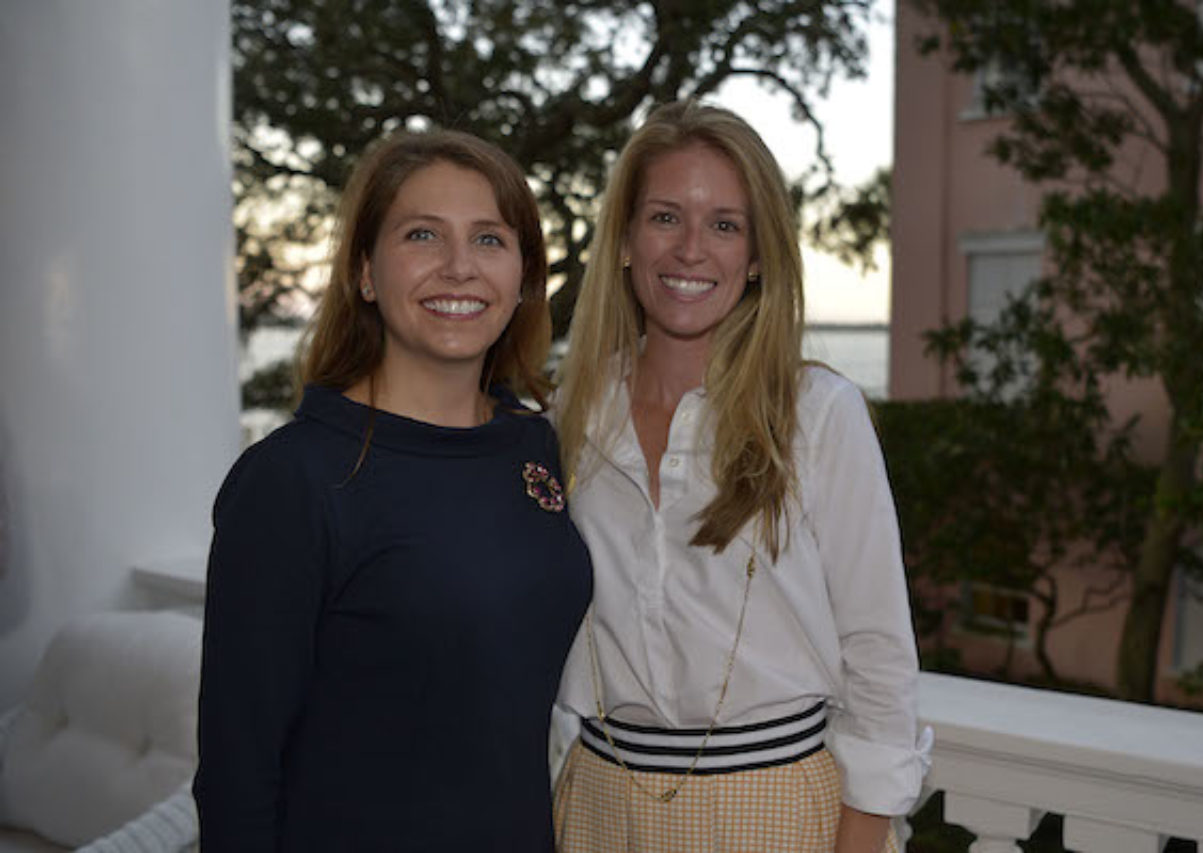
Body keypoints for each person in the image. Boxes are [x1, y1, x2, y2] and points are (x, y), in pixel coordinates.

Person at [194, 130, 592, 852]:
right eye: (421, 235)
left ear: (526, 276)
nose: (460, 267)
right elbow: (235, 772)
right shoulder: (295, 479)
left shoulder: (536, 447)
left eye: (490, 240)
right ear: (364, 273)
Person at [551, 101, 930, 852]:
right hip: (596, 802)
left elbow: (878, 652)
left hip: (777, 806)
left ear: (757, 255)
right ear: (625, 240)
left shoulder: (818, 413)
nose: (692, 249)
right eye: (665, 217)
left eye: (724, 225)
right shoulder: (571, 409)